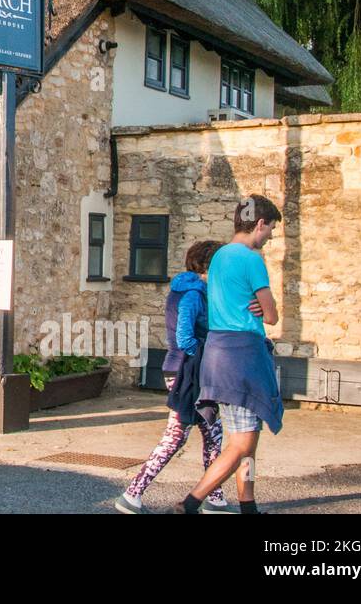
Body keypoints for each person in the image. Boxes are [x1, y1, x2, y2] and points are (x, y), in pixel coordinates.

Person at [168, 194, 285, 515]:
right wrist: (263, 307)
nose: (271, 236)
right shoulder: (251, 259)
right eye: (271, 229)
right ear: (259, 224)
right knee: (241, 444)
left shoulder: (219, 257)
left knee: (248, 439)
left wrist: (255, 304)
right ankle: (190, 503)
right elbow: (272, 315)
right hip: (243, 356)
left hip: (217, 354)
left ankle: (248, 506)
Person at [115, 240, 229, 514]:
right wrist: (205, 354)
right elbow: (184, 337)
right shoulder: (192, 294)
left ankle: (215, 499)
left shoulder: (193, 290)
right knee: (177, 436)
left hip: (186, 369)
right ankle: (131, 495)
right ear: (208, 266)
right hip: (186, 371)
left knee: (212, 433)